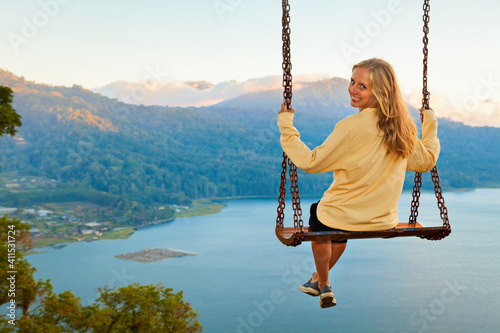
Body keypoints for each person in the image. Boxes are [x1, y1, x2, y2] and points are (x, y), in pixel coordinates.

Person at [277, 58, 440, 308]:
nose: (353, 89)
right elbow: (426, 161)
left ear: (380, 92)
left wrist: (286, 127)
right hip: (381, 220)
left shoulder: (350, 128)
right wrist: (429, 123)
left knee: (322, 219)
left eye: (362, 86)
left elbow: (310, 163)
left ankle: (323, 282)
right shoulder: (402, 128)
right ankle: (317, 281)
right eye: (352, 82)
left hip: (341, 217)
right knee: (339, 228)